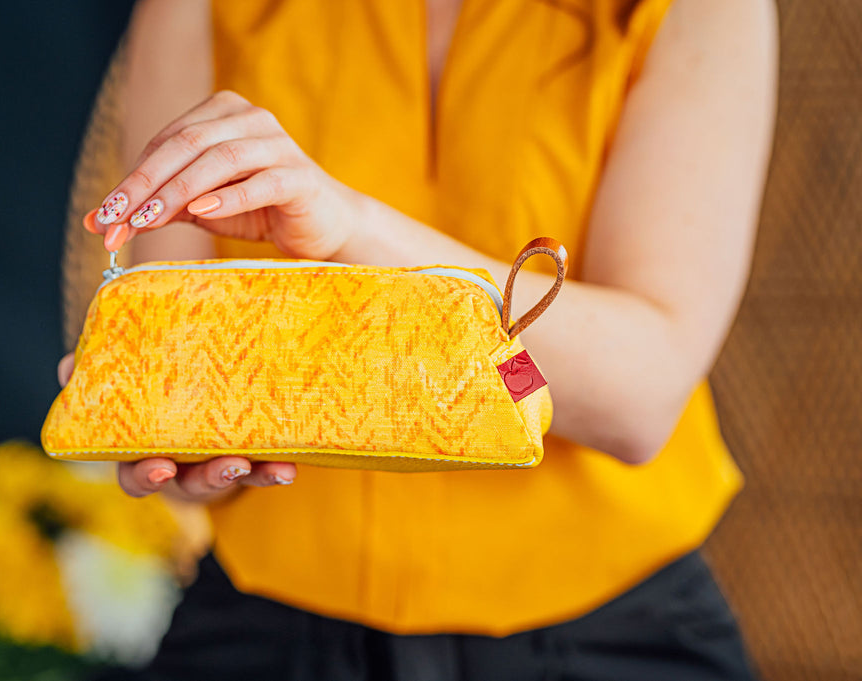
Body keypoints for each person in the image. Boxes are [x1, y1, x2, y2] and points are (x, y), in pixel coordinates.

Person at [59, 0, 778, 678]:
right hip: (267, 624)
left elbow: (640, 399)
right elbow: (188, 379)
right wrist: (182, 448)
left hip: (610, 633)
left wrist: (350, 227)